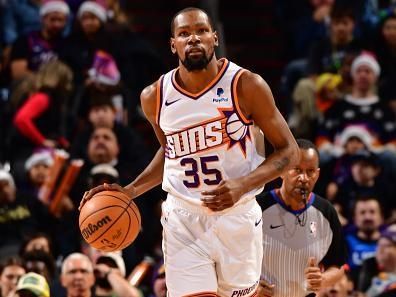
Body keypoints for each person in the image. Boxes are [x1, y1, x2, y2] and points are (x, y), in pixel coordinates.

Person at [81, 7, 299, 297]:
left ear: (214, 38)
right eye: (184, 33)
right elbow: (170, 151)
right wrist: (129, 191)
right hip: (184, 219)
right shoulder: (155, 97)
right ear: (173, 44)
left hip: (239, 216)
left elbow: (290, 152)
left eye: (201, 31)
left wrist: (243, 184)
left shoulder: (246, 85)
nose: (193, 38)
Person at [257, 139, 345, 297]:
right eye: (297, 169)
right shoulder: (258, 207)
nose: (304, 178)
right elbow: (235, 257)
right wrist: (252, 286)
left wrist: (322, 279)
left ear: (317, 175)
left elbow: (338, 267)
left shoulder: (326, 212)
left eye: (310, 171)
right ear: (282, 171)